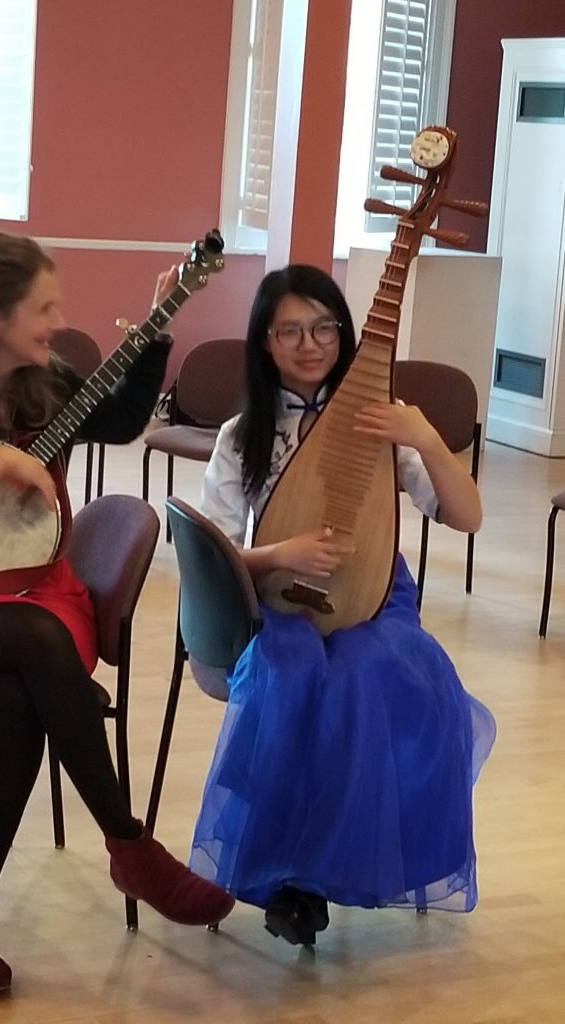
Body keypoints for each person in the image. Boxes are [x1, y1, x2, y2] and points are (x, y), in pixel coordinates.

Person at [0, 225, 234, 996]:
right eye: (42, 306)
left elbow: (122, 419)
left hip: (40, 586)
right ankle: (129, 845)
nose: (55, 319)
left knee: (19, 693)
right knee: (35, 651)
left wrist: (157, 330)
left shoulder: (46, 378)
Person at [188, 264, 496, 946]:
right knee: (291, 675)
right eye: (289, 331)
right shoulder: (244, 435)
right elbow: (208, 550)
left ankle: (318, 874)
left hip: (374, 600)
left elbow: (468, 516)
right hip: (277, 605)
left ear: (345, 333)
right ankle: (285, 873)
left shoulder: (381, 427)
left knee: (363, 677)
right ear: (263, 343)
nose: (309, 344)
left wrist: (421, 436)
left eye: (323, 327)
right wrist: (277, 554)